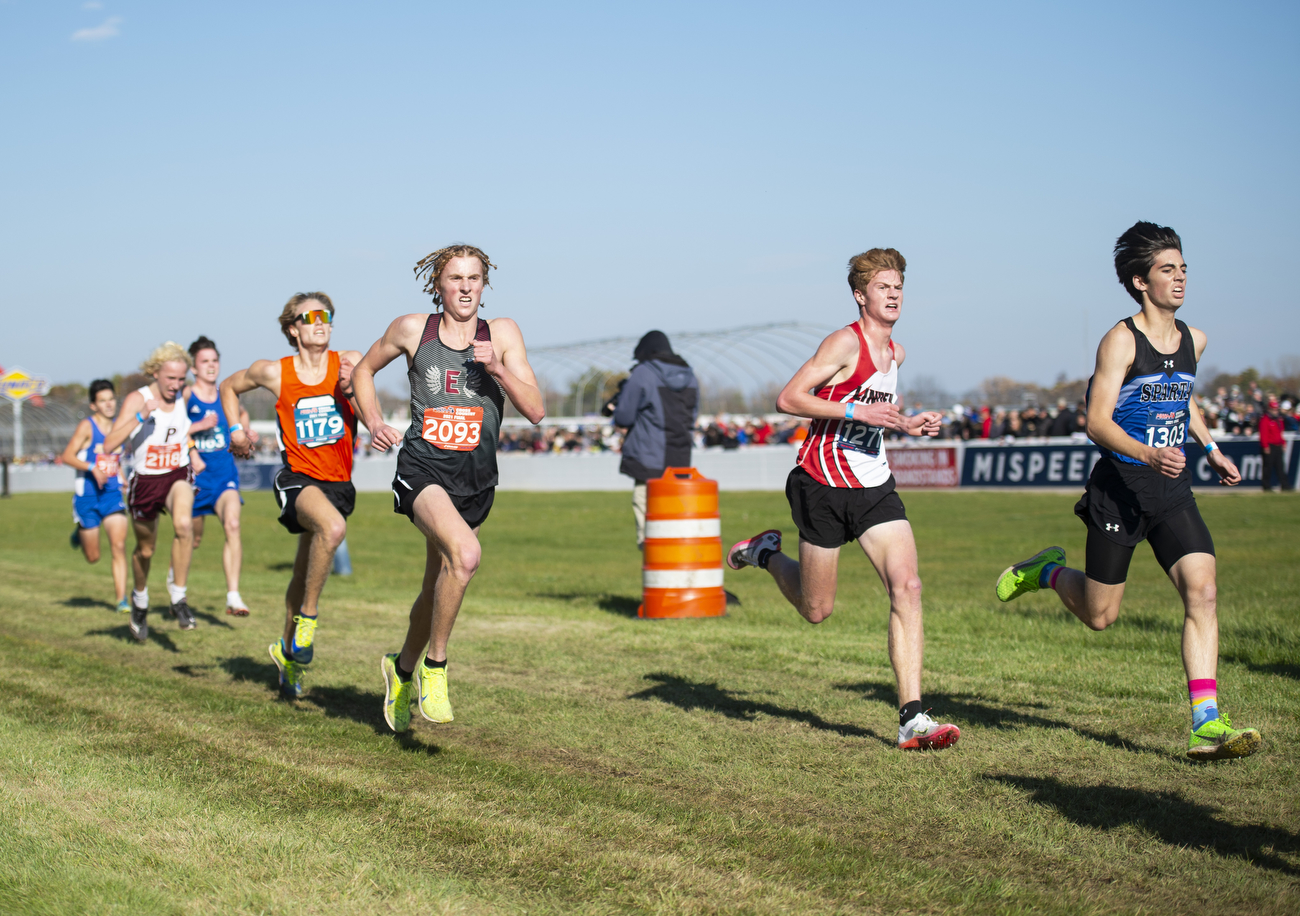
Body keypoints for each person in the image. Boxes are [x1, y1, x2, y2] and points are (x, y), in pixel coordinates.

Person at [995, 221, 1262, 761]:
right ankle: (1046, 572)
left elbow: (1181, 399)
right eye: (1168, 269)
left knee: (1202, 591)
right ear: (1141, 282)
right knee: (1100, 615)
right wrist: (1147, 453)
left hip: (1172, 489)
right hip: (1119, 489)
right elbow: (1097, 422)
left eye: (1183, 267)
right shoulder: (1120, 340)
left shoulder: (1195, 339)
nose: (1181, 277)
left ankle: (1205, 724)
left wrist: (1210, 448)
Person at [727, 248, 960, 751]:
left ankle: (912, 717)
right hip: (822, 484)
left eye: (899, 285)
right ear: (861, 295)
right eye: (883, 286)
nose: (894, 293)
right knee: (816, 609)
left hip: (874, 486)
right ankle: (765, 553)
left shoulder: (896, 354)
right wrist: (855, 409)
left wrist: (906, 423)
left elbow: (877, 416)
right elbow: (788, 399)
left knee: (909, 586)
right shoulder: (842, 343)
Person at [352, 244, 545, 734]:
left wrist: (497, 369)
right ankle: (435, 668)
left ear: (484, 284)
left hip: (476, 482)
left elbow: (536, 409)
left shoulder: (501, 334)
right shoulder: (413, 329)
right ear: (437, 283)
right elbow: (362, 372)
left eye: (474, 278)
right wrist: (372, 421)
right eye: (455, 278)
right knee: (466, 555)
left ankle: (400, 672)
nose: (464, 287)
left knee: (435, 587)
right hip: (423, 469)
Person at [222, 293, 363, 699]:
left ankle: (287, 657)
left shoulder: (347, 361)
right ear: (292, 328)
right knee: (332, 528)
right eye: (311, 317)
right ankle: (308, 621)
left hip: (338, 483)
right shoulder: (275, 372)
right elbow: (228, 387)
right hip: (297, 478)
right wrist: (235, 430)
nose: (321, 322)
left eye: (327, 315)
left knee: (303, 573)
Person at [103, 342, 214, 641]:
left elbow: (203, 407)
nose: (176, 386)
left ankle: (178, 598)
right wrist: (139, 416)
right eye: (170, 379)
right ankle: (139, 600)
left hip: (176, 474)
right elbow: (109, 444)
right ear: (155, 372)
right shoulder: (138, 399)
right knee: (146, 550)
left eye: (181, 380)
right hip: (145, 481)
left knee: (183, 525)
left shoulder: (185, 395)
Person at [171, 336, 258, 616]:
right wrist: (196, 431)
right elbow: (171, 429)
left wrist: (247, 435)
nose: (211, 366)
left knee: (232, 524)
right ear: (194, 368)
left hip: (224, 478)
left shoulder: (227, 393)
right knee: (190, 538)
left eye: (214, 360)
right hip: (193, 481)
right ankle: (176, 587)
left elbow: (241, 418)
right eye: (204, 361)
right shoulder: (186, 395)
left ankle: (233, 596)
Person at [609, 331, 699, 548]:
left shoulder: (644, 372)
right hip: (680, 455)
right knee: (674, 511)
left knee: (645, 510)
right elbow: (693, 415)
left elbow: (624, 416)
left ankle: (657, 567)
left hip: (648, 455)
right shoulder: (690, 375)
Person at [61, 379, 130, 612]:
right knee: (93, 557)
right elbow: (67, 456)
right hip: (88, 498)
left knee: (118, 546)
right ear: (93, 405)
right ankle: (80, 532)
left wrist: (122, 477)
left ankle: (122, 600)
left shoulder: (120, 427)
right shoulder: (87, 427)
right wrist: (92, 467)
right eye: (103, 401)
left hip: (111, 496)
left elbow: (114, 459)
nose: (109, 404)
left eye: (111, 399)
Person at [1258, 398, 1292, 492]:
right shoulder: (1265, 420)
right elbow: (1263, 434)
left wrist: (1283, 443)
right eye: (1273, 409)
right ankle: (1266, 486)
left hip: (1278, 446)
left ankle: (1285, 485)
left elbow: (1280, 433)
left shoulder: (1278, 420)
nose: (1275, 411)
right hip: (1269, 446)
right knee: (1267, 467)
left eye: (1276, 409)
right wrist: (1265, 446)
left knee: (1280, 467)